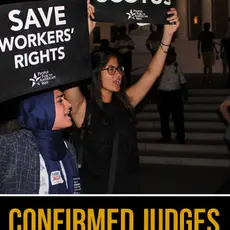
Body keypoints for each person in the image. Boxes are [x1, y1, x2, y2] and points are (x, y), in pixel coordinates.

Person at [64, 8, 180, 194]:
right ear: (95, 74)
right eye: (111, 70)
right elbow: (68, 75)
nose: (118, 74)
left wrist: (167, 35)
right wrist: (81, 34)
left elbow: (152, 73)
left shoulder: (125, 101)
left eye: (119, 69)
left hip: (129, 189)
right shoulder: (83, 109)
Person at [0, 1, 95, 194]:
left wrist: (81, 33)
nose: (69, 103)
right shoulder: (12, 147)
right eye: (60, 100)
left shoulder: (67, 147)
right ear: (41, 109)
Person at [157, 46, 187, 144]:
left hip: (175, 95)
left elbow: (183, 82)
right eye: (171, 56)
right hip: (163, 95)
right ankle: (166, 136)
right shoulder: (159, 68)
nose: (173, 58)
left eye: (174, 57)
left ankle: (181, 137)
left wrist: (185, 94)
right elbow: (154, 82)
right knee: (164, 118)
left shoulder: (176, 67)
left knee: (178, 118)